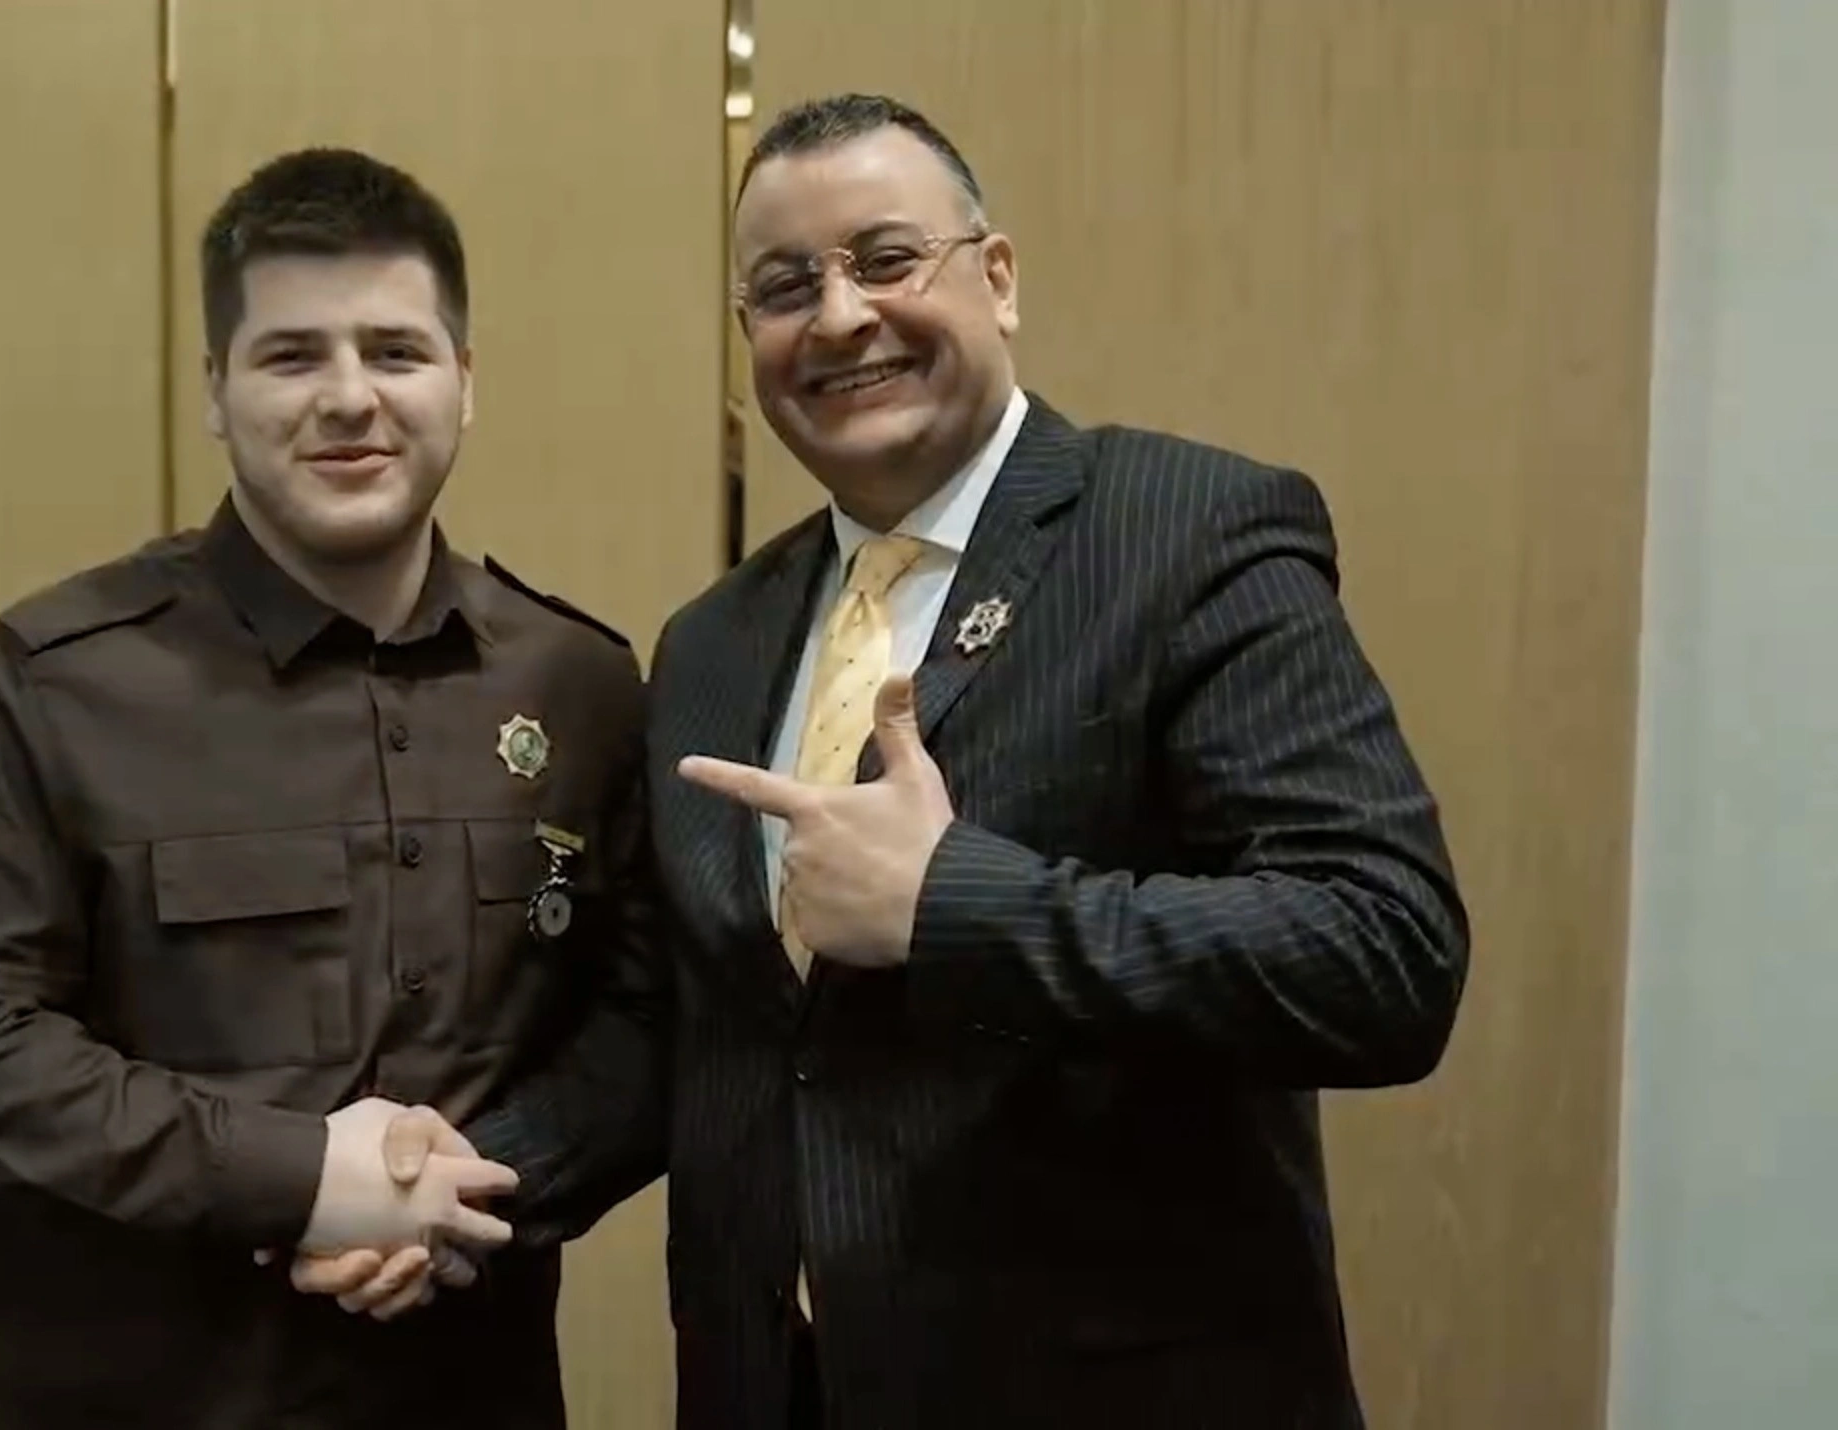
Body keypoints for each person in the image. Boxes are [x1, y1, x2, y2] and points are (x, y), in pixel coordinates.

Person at [301, 92, 1470, 1428]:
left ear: (998, 277)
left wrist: (951, 900)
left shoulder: (1187, 532)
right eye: (784, 286)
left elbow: (1384, 948)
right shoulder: (715, 641)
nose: (840, 315)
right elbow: (692, 1026)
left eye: (887, 258)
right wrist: (451, 1186)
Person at [0, 146, 660, 1429]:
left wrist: (468, 1189)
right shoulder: (45, 684)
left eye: (396, 351)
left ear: (464, 379)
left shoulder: (581, 685)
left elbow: (651, 1019)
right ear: (217, 390)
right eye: (291, 356)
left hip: (462, 1392)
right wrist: (301, 1175)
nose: (350, 397)